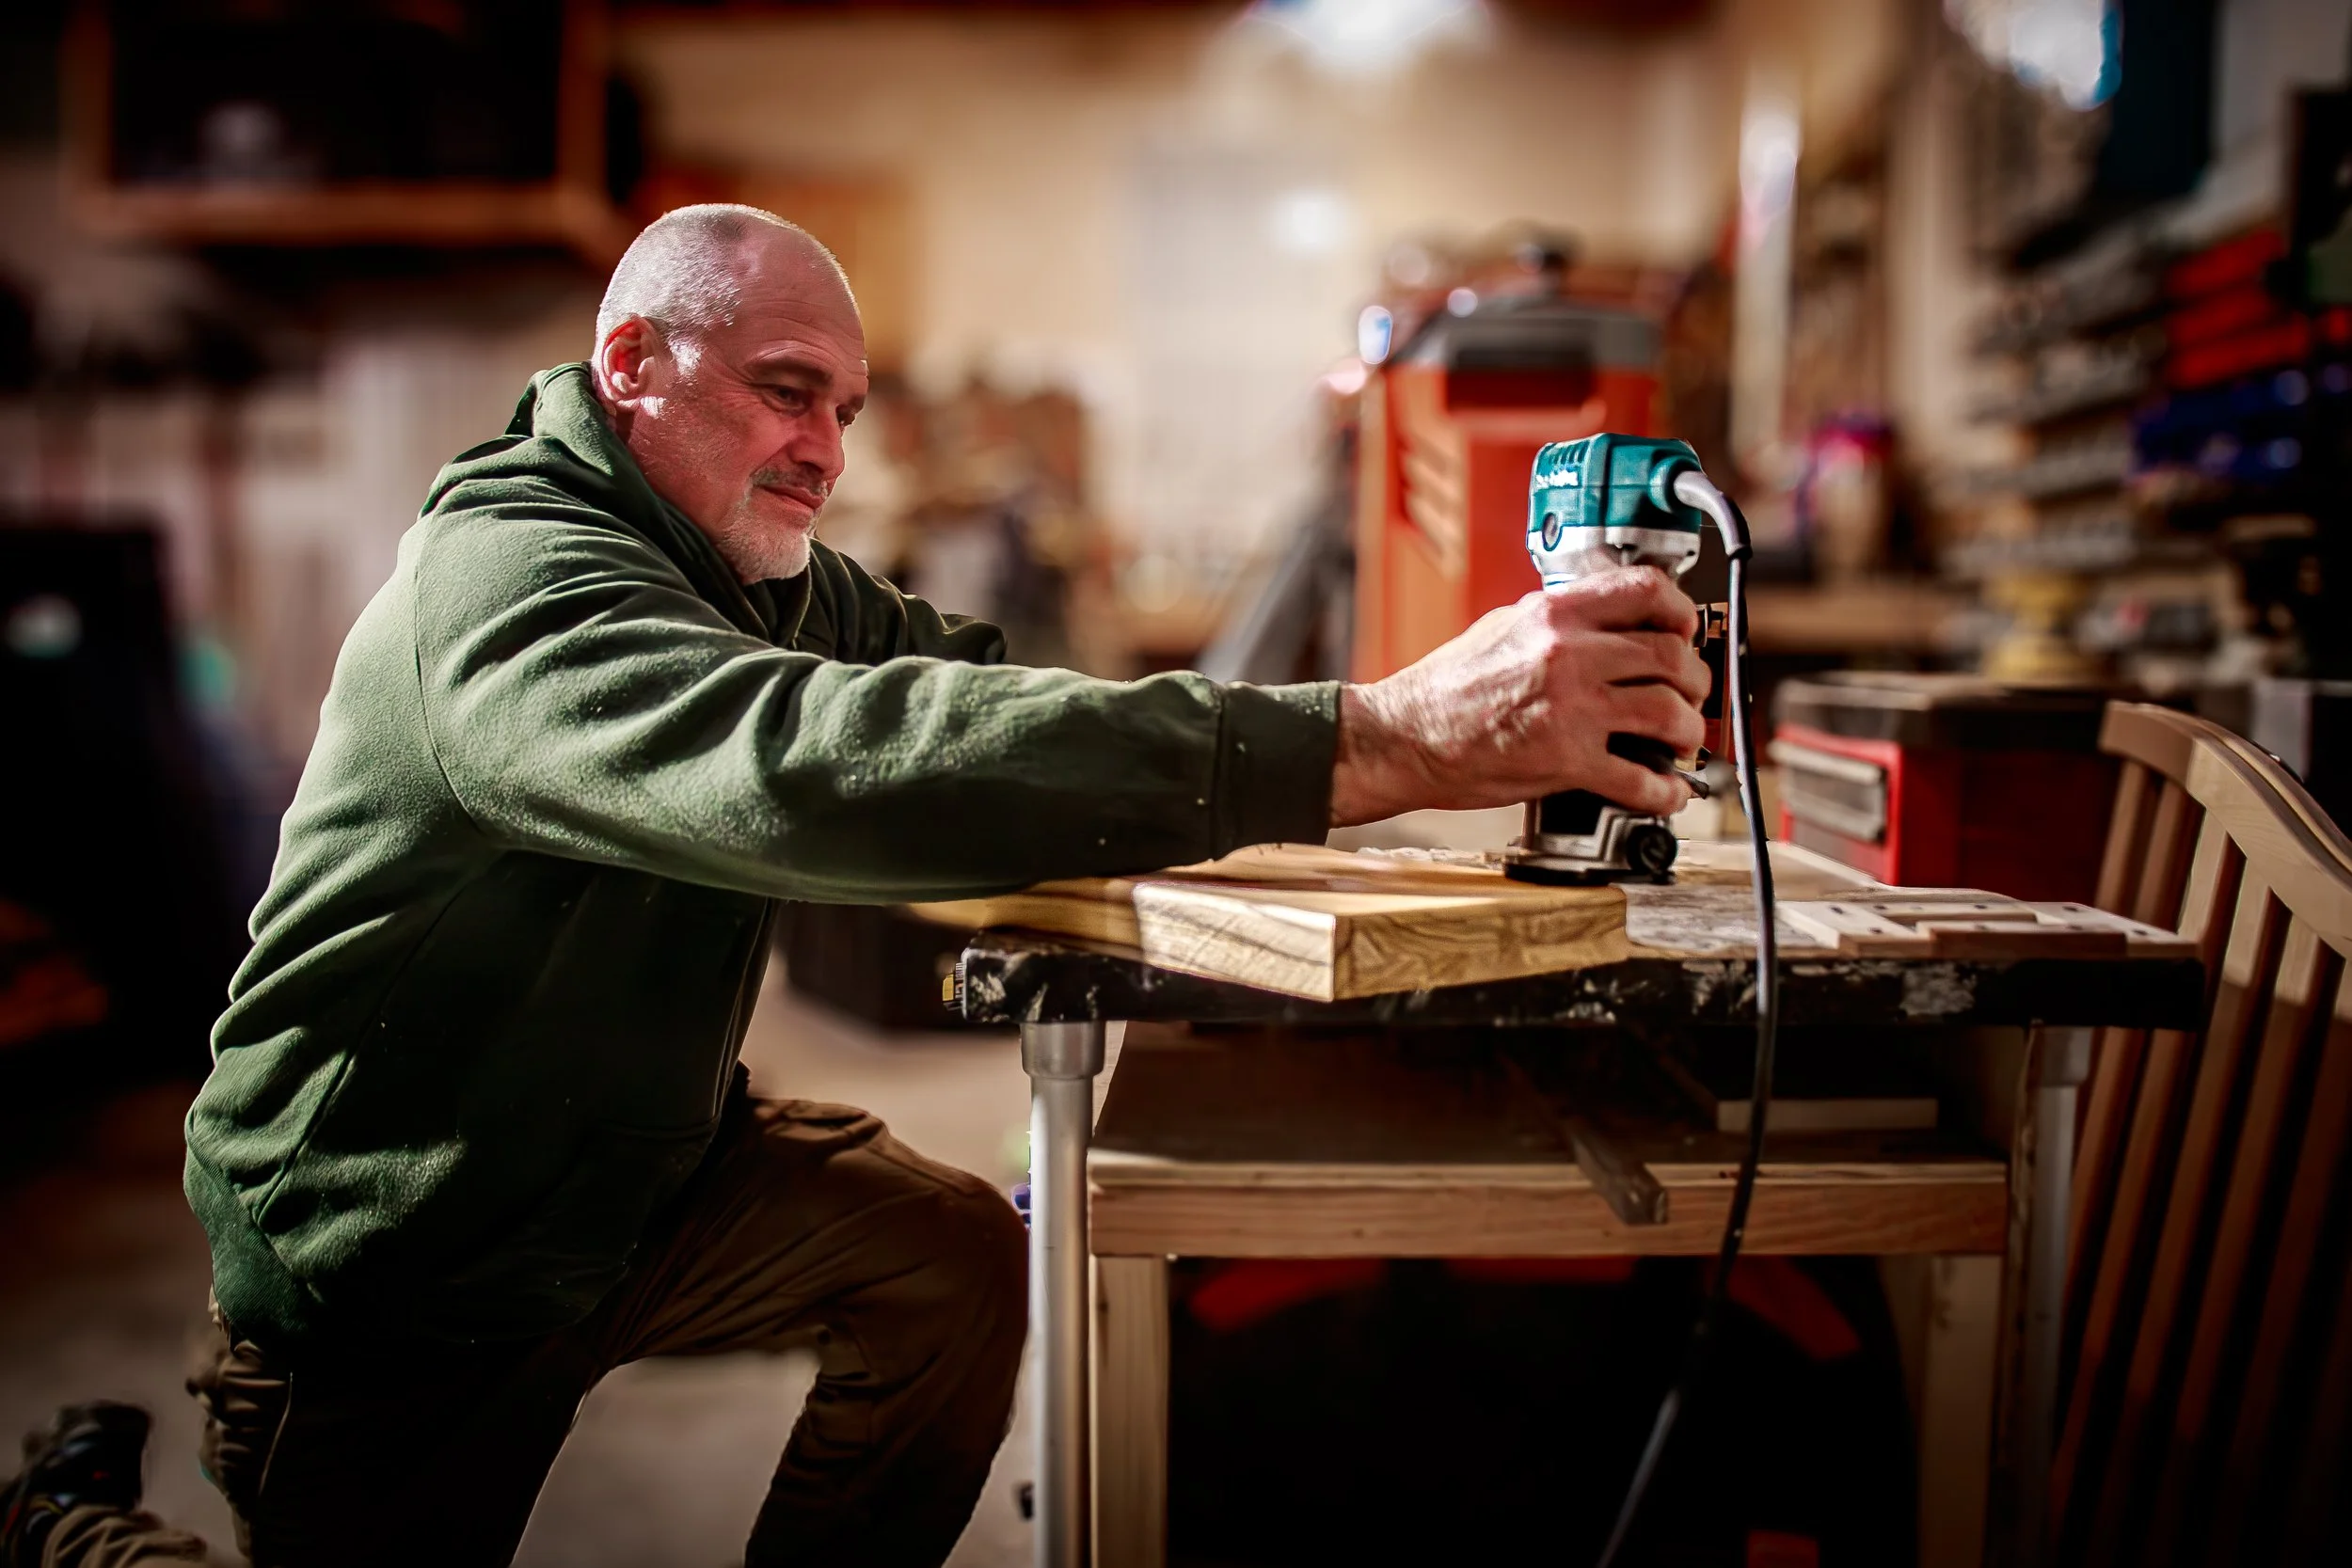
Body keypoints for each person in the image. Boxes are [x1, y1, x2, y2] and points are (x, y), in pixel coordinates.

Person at [0, 205, 1708, 1568]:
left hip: (639, 1189)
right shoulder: (510, 588)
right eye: (785, 388)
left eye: (845, 408)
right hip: (404, 1240)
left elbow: (963, 693)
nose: (826, 446)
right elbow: (808, 755)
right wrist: (1385, 733)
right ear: (633, 368)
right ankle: (65, 1513)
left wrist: (1326, 754)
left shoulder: (760, 566)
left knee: (950, 1258)